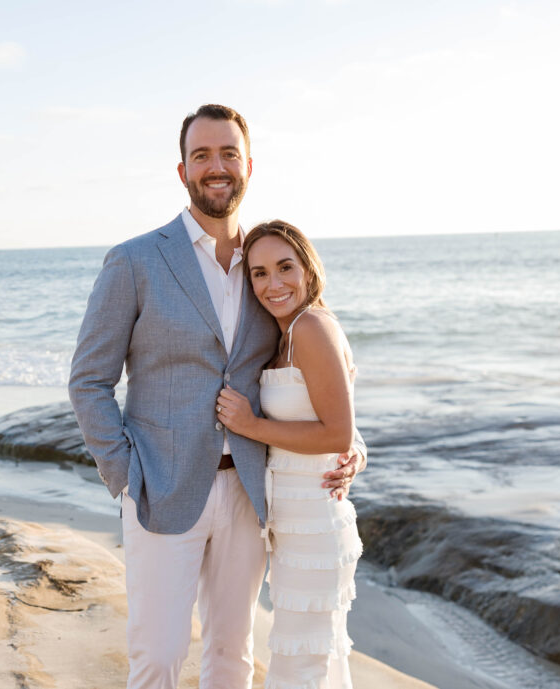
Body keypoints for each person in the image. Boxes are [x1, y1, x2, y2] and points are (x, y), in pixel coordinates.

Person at [68, 104, 366, 689]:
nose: (216, 166)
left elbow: (315, 376)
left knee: (232, 655)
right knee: (158, 656)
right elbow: (88, 381)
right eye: (201, 155)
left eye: (228, 153)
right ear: (183, 171)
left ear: (248, 166)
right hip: (160, 488)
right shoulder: (135, 260)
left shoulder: (264, 267)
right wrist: (125, 476)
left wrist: (351, 445)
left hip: (252, 492)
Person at [215, 220, 361, 689]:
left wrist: (251, 425)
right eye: (259, 273)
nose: (273, 284)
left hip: (315, 524)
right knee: (313, 660)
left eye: (285, 267)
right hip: (296, 525)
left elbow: (337, 432)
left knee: (301, 665)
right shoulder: (288, 333)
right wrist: (358, 453)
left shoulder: (311, 327)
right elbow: (343, 426)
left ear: (308, 269)